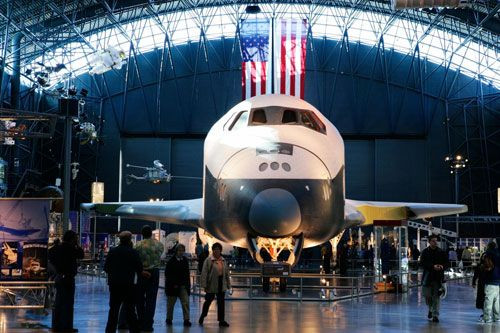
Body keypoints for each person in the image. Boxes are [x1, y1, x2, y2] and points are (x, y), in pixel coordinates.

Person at [104, 231, 147, 333]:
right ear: (130, 240)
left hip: (114, 285)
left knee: (113, 310)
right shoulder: (133, 252)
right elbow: (139, 268)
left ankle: (110, 331)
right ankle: (135, 330)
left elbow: (106, 268)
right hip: (128, 286)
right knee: (130, 311)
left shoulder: (112, 251)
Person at [48, 230, 84, 333]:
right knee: (68, 303)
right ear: (72, 239)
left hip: (59, 277)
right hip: (68, 278)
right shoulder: (72, 249)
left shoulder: (57, 248)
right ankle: (67, 327)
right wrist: (77, 245)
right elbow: (81, 254)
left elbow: (50, 253)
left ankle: (56, 326)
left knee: (58, 302)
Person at [134, 225, 164, 331]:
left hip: (142, 273)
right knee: (152, 300)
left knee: (140, 299)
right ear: (151, 233)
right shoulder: (159, 245)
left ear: (142, 234)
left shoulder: (137, 245)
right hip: (154, 273)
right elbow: (161, 254)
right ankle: (149, 324)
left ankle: (141, 322)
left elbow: (135, 259)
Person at [198, 243, 231, 327]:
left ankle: (221, 320)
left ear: (220, 250)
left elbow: (226, 273)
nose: (217, 251)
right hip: (211, 284)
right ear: (213, 250)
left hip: (221, 283)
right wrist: (204, 285)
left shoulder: (223, 260)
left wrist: (228, 284)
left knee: (221, 302)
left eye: (218, 249)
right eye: (215, 249)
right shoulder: (208, 260)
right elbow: (204, 273)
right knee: (208, 301)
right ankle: (203, 315)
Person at [420, 234, 449, 323]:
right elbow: (422, 263)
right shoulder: (425, 252)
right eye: (433, 241)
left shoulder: (441, 252)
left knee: (436, 297)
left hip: (437, 278)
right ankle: (431, 309)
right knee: (427, 296)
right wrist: (432, 266)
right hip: (427, 277)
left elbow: (446, 263)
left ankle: (435, 315)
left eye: (436, 240)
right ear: (429, 242)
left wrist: (441, 266)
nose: (435, 242)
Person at [165, 243, 191, 326]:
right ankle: (169, 318)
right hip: (173, 286)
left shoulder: (185, 261)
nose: (181, 252)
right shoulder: (171, 261)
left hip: (183, 285)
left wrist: (188, 285)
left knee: (185, 302)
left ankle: (186, 319)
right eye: (179, 250)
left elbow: (187, 274)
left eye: (182, 251)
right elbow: (168, 274)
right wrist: (174, 283)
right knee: (170, 304)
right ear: (176, 251)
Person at [479, 241, 500, 323]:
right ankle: (497, 317)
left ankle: (487, 318)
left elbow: (486, 266)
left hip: (490, 279)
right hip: (498, 280)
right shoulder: (498, 253)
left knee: (488, 300)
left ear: (488, 246)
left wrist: (482, 267)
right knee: (496, 300)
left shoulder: (488, 254)